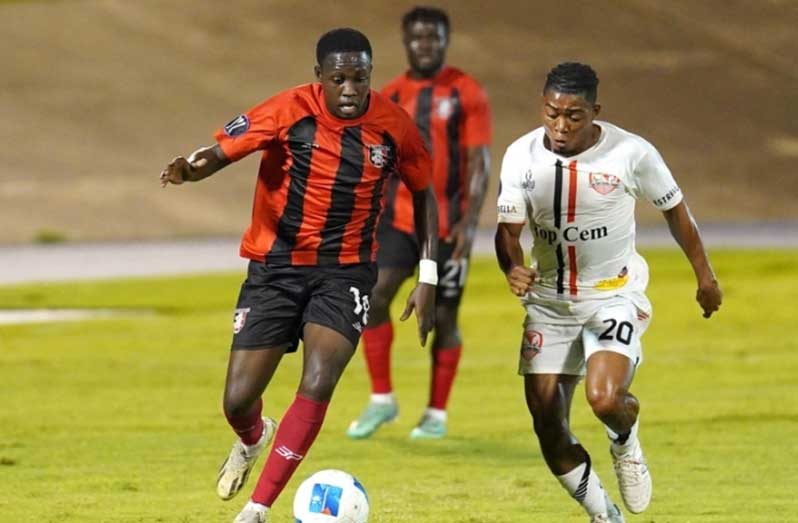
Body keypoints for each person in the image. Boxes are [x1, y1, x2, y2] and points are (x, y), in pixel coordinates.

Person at [159, 28, 439, 523]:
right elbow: (221, 151)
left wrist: (429, 274)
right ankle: (251, 438)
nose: (351, 89)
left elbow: (424, 194)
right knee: (238, 399)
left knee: (318, 378)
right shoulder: (289, 110)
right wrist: (189, 169)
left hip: (346, 273)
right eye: (339, 79)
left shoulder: (394, 125)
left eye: (360, 78)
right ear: (320, 78)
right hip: (275, 270)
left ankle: (258, 507)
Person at [494, 62, 722, 522]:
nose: (560, 126)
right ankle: (604, 515)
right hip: (550, 303)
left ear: (595, 111)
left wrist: (705, 276)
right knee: (546, 422)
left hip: (614, 293)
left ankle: (626, 441)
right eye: (551, 112)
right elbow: (508, 229)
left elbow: (676, 211)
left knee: (604, 398)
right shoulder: (521, 155)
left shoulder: (631, 154)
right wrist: (513, 268)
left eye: (573, 116)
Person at [346, 6, 491, 441]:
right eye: (418, 37)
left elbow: (479, 163)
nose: (425, 44)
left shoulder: (466, 92)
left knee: (444, 316)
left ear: (445, 40)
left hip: (447, 226)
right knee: (373, 297)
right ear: (406, 41)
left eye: (434, 36)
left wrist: (469, 225)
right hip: (398, 222)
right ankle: (382, 399)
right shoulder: (388, 96)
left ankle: (436, 413)